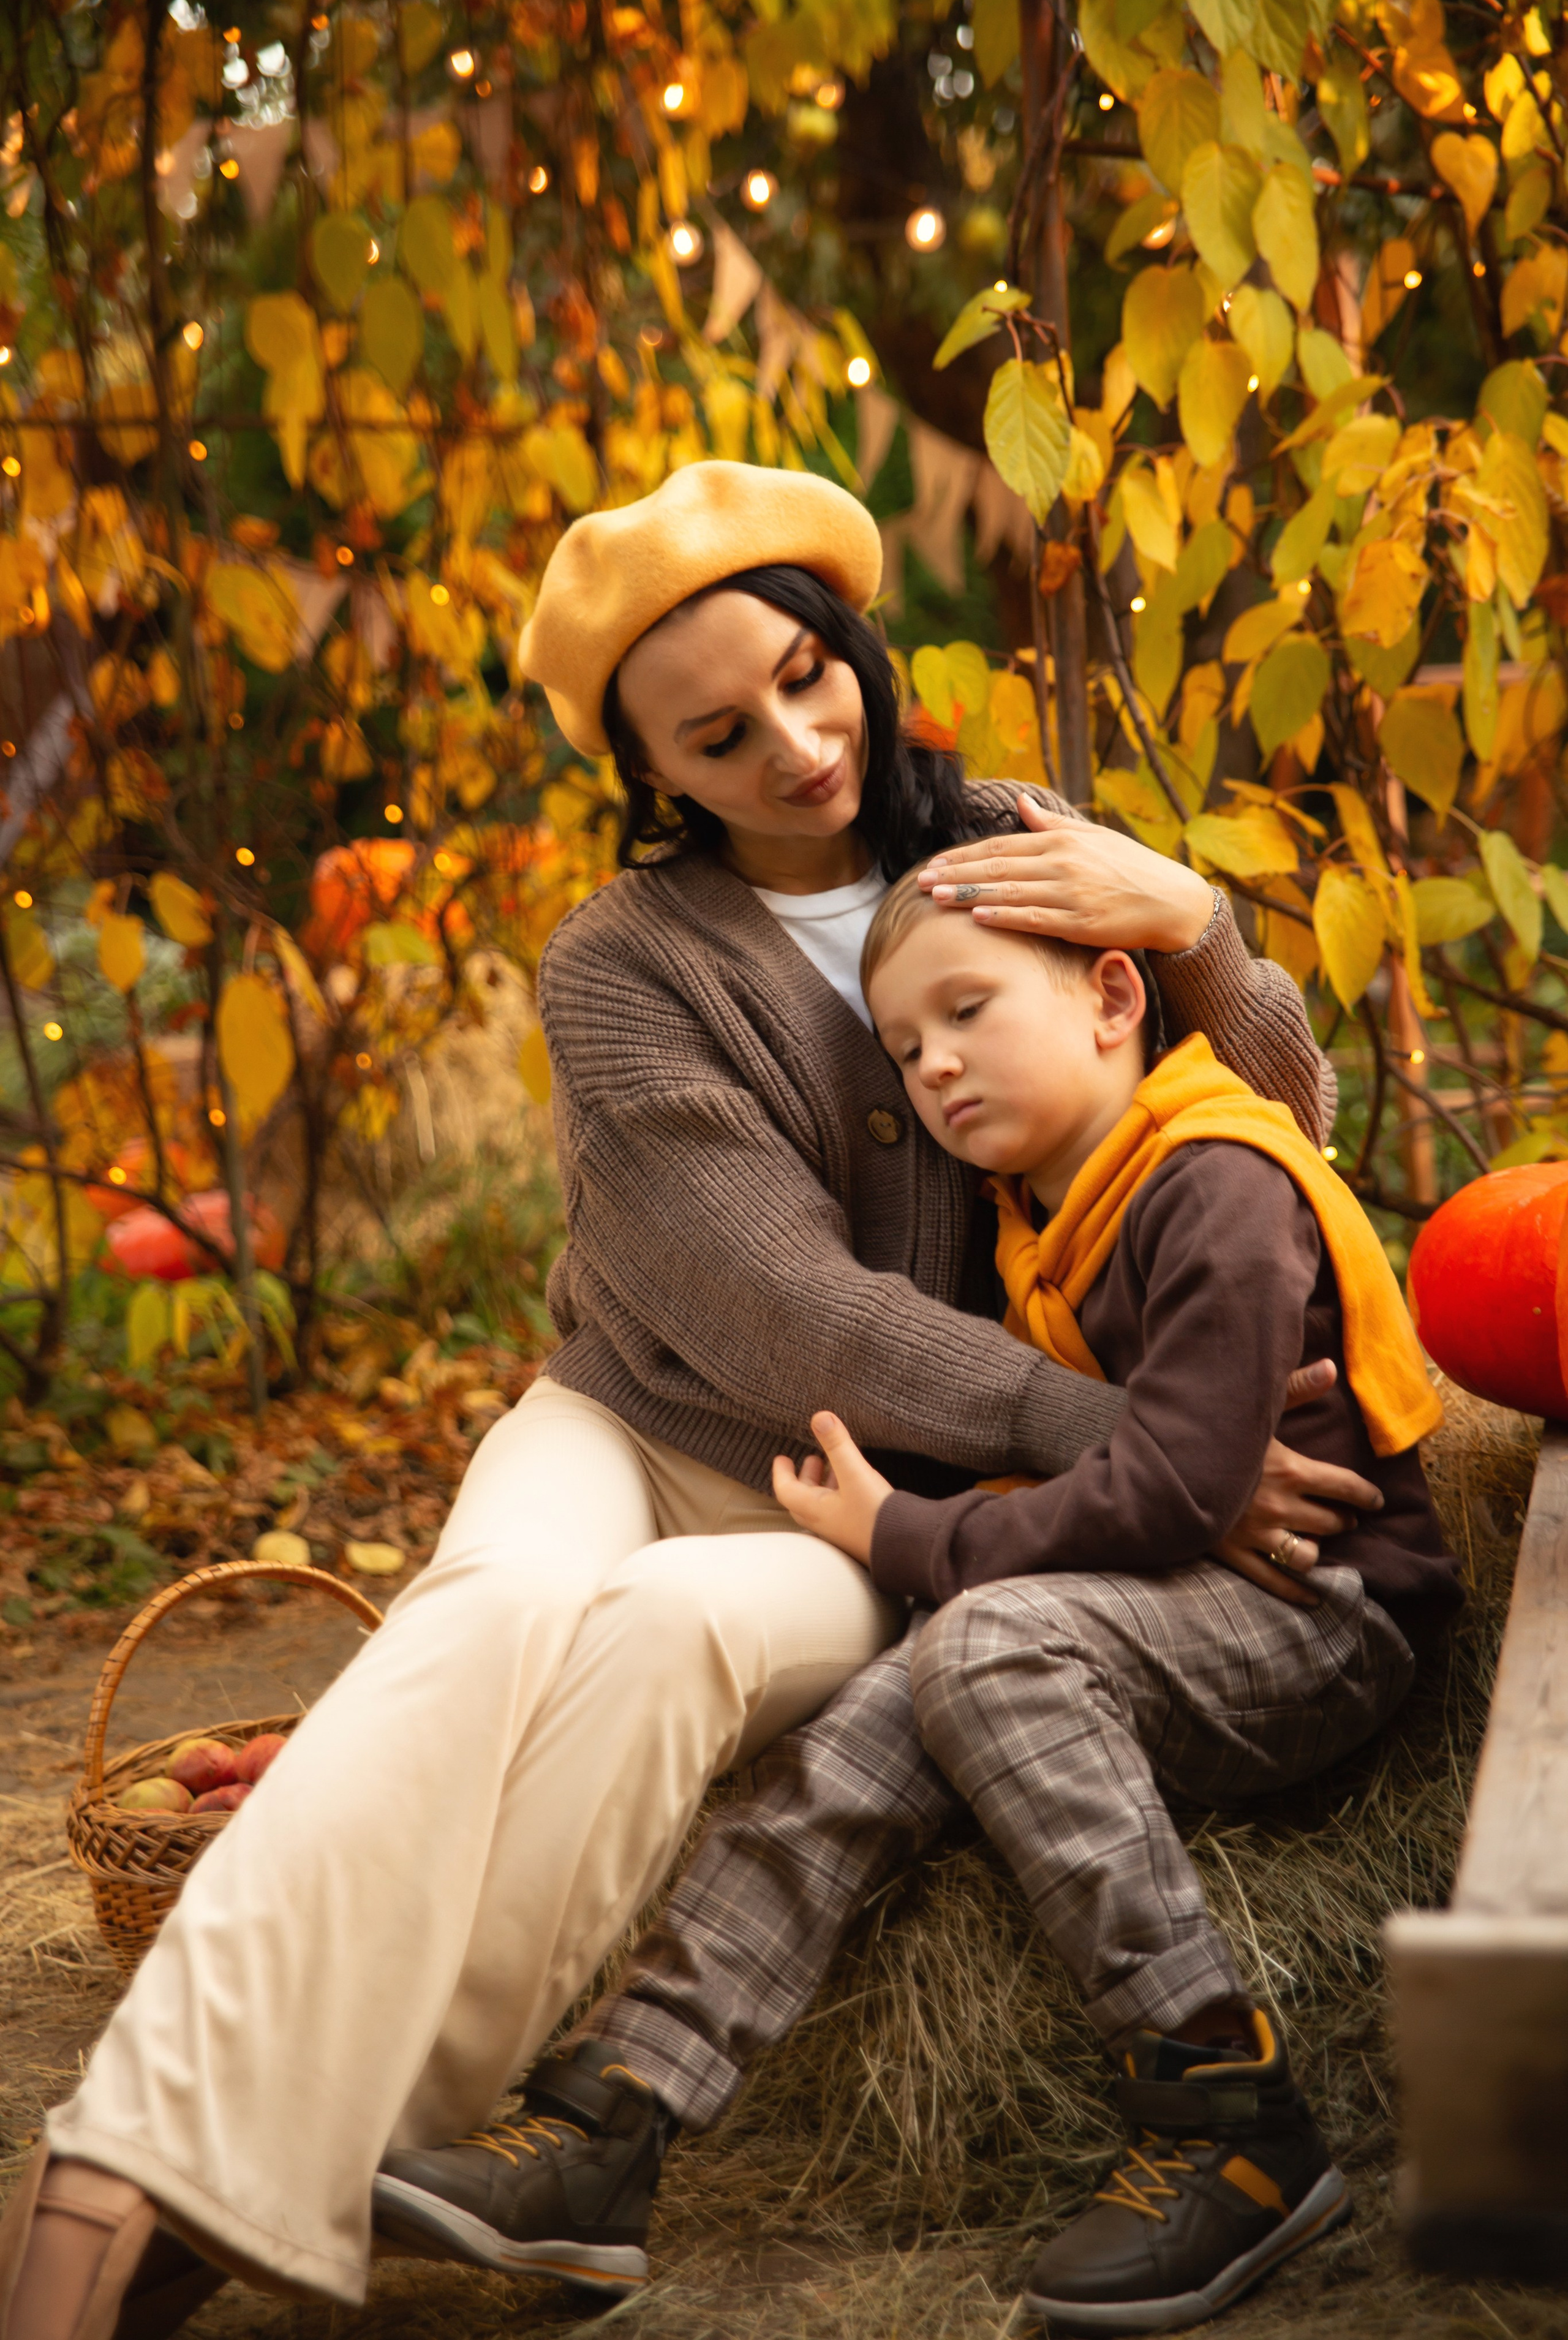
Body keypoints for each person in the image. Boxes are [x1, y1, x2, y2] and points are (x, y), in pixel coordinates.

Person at [0, 462, 1374, 2340]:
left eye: (813, 677)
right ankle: (139, 2155)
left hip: (860, 1499)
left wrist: (1199, 923)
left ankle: (300, 2181)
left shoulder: (1016, 848)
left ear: (859, 645)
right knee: (486, 1617)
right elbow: (784, 1306)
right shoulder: (625, 964)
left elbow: (1278, 1137)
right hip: (642, 1417)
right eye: (719, 737)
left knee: (654, 1647)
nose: (799, 748)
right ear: (657, 772)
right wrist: (1133, 1456)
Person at [427, 874, 1453, 2334]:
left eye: (967, 1013)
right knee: (855, 1740)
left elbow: (1170, 1492)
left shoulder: (1218, 1182)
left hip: (1325, 1620)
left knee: (976, 1639)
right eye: (905, 1049)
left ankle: (1231, 2114)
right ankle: (617, 2114)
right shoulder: (1045, 1206)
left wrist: (907, 1535)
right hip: (1150, 1618)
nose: (935, 1068)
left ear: (1110, 998)